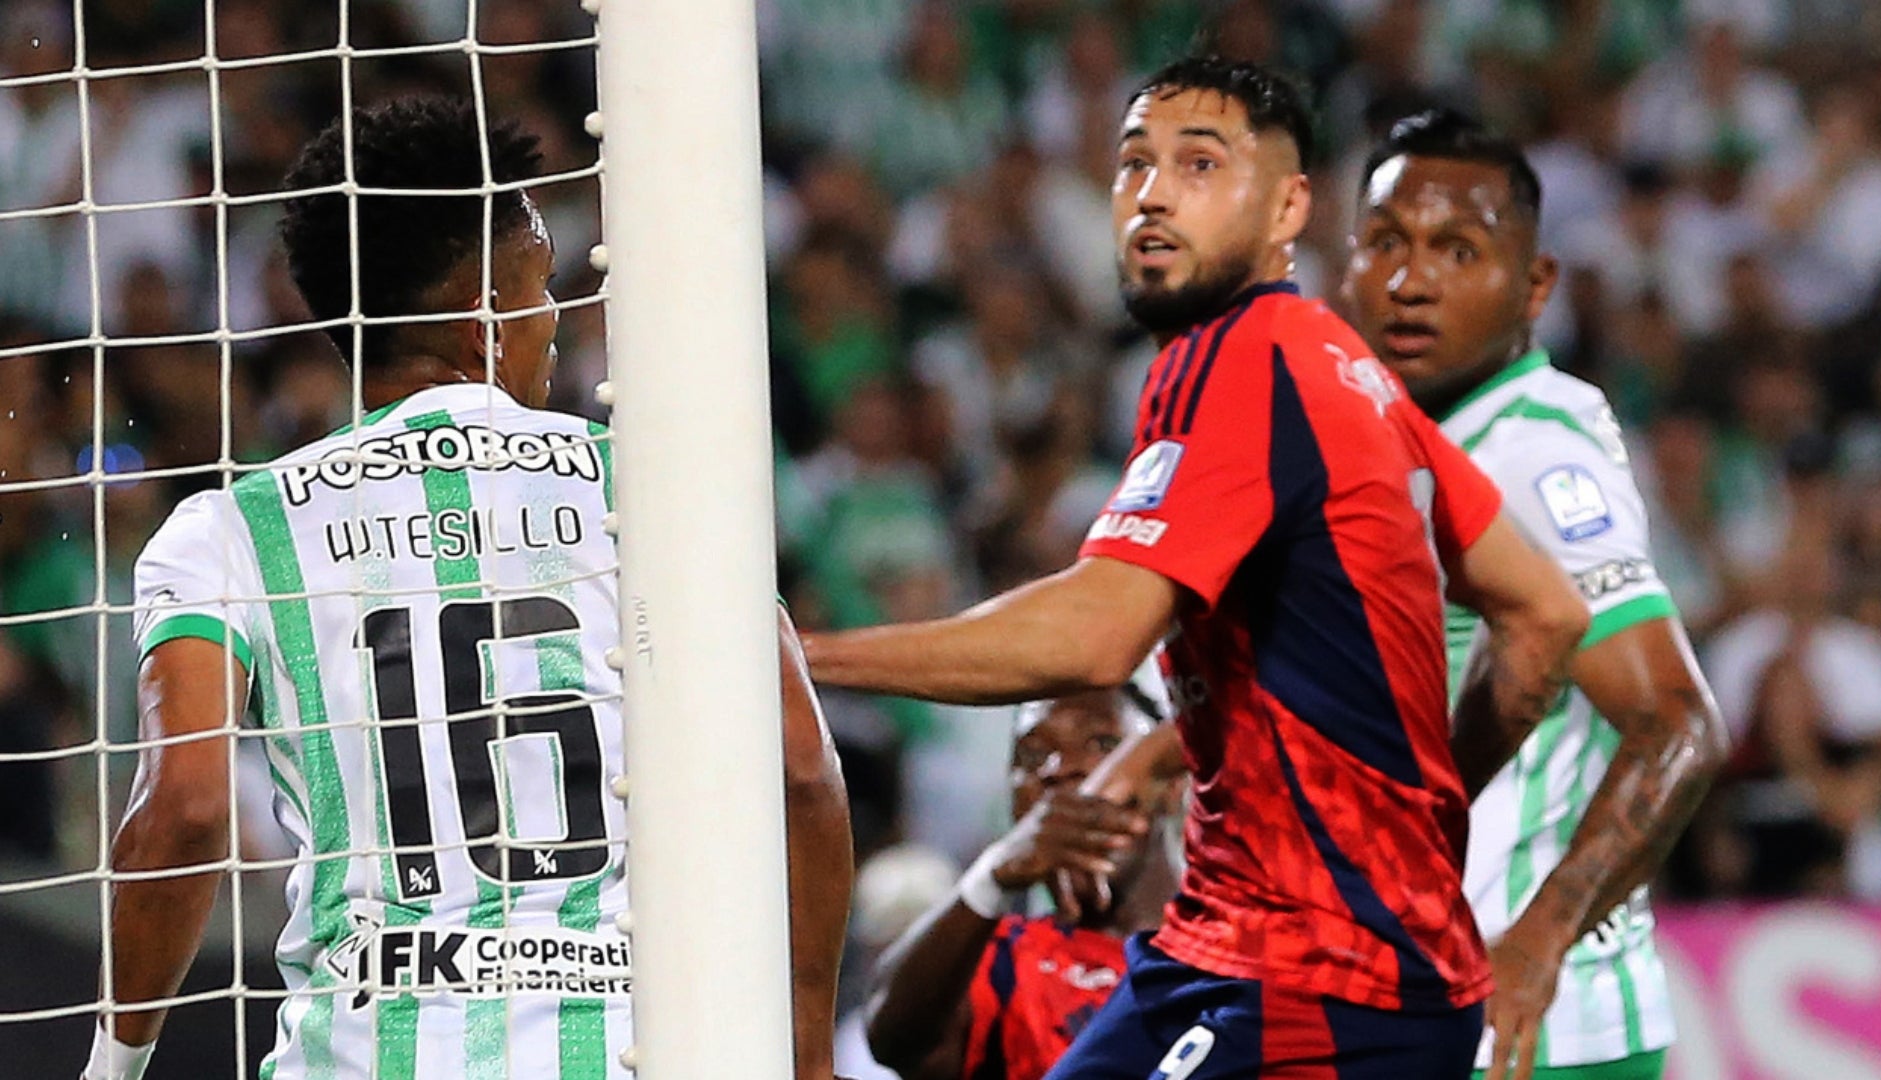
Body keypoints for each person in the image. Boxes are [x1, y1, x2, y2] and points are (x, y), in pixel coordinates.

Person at [804, 56, 1592, 1078]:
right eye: (1134, 165)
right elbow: (1542, 619)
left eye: (1201, 164)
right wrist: (1418, 833)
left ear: (1289, 207)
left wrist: (799, 651)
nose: (1155, 194)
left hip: (1314, 976)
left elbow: (1095, 637)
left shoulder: (1247, 357)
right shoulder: (1353, 376)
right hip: (1257, 953)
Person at [84, 98, 853, 1080]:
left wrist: (114, 1062)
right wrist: (810, 1056)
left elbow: (187, 809)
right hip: (624, 1048)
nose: (556, 318)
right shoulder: (651, 489)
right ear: (489, 323)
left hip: (360, 1053)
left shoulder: (231, 531)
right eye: (539, 287)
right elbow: (798, 771)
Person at [1339, 109, 1728, 1080]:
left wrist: (1538, 941)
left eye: (1458, 250)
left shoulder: (1532, 453)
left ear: (1536, 284)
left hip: (1525, 1031)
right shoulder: (1419, 441)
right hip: (1418, 1001)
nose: (1409, 280)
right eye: (1385, 242)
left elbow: (1677, 723)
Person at [864, 677, 1181, 1080]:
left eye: (1103, 744)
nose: (1058, 768)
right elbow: (896, 1041)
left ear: (1173, 783)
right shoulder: (996, 960)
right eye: (1032, 756)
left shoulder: (1245, 944)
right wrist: (991, 878)